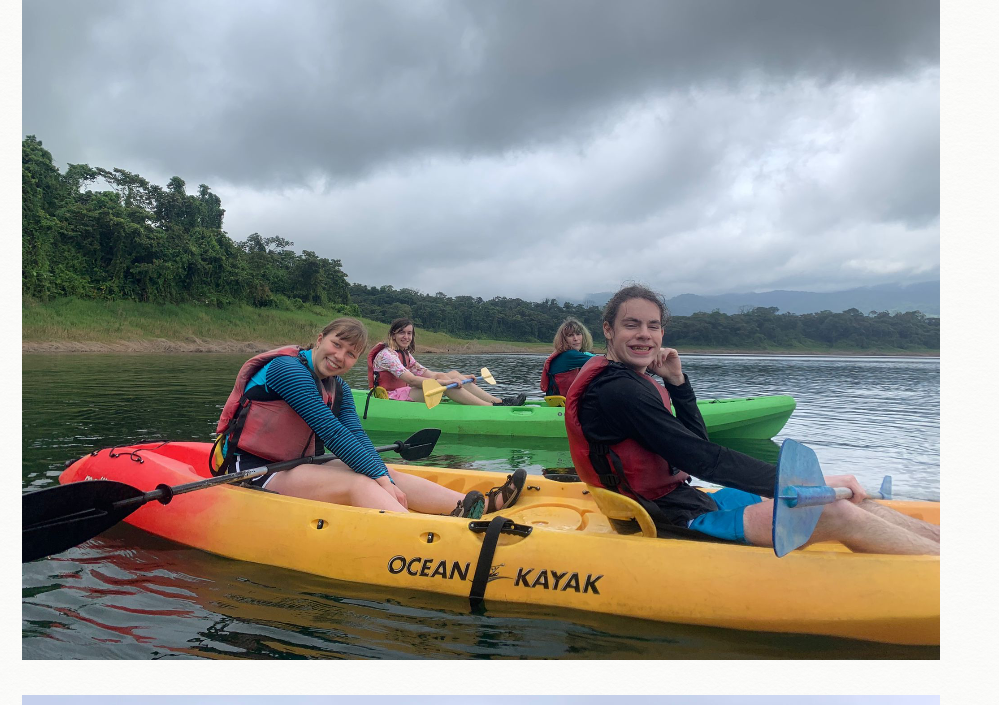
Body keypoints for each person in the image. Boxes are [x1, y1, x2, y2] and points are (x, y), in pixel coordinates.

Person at [565, 285, 939, 555]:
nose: (645, 335)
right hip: (666, 520)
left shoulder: (636, 381)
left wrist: (678, 384)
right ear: (609, 330)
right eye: (632, 325)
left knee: (846, 501)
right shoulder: (618, 391)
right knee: (830, 507)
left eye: (654, 326)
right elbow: (702, 460)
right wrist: (806, 484)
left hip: (687, 501)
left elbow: (693, 447)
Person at [214, 317, 526, 518]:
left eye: (350, 354)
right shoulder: (287, 370)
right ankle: (426, 537)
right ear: (320, 338)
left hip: (298, 464)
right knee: (361, 486)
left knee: (386, 472)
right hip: (253, 469)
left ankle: (478, 506)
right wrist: (378, 482)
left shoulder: (340, 388)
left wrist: (385, 478)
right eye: (336, 345)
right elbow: (331, 432)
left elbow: (356, 437)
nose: (339, 357)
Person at [368, 318, 526, 406]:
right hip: (390, 399)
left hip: (404, 393)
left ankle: (498, 401)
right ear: (393, 334)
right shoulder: (386, 355)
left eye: (409, 333)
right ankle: (489, 408)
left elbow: (430, 373)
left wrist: (461, 377)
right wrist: (445, 382)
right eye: (401, 332)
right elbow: (411, 379)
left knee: (452, 374)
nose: (406, 337)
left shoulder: (405, 354)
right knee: (441, 384)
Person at [539, 317, 596, 397]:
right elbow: (601, 361)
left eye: (578, 334)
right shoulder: (569, 355)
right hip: (561, 405)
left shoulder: (567, 354)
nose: (575, 339)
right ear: (564, 339)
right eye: (570, 335)